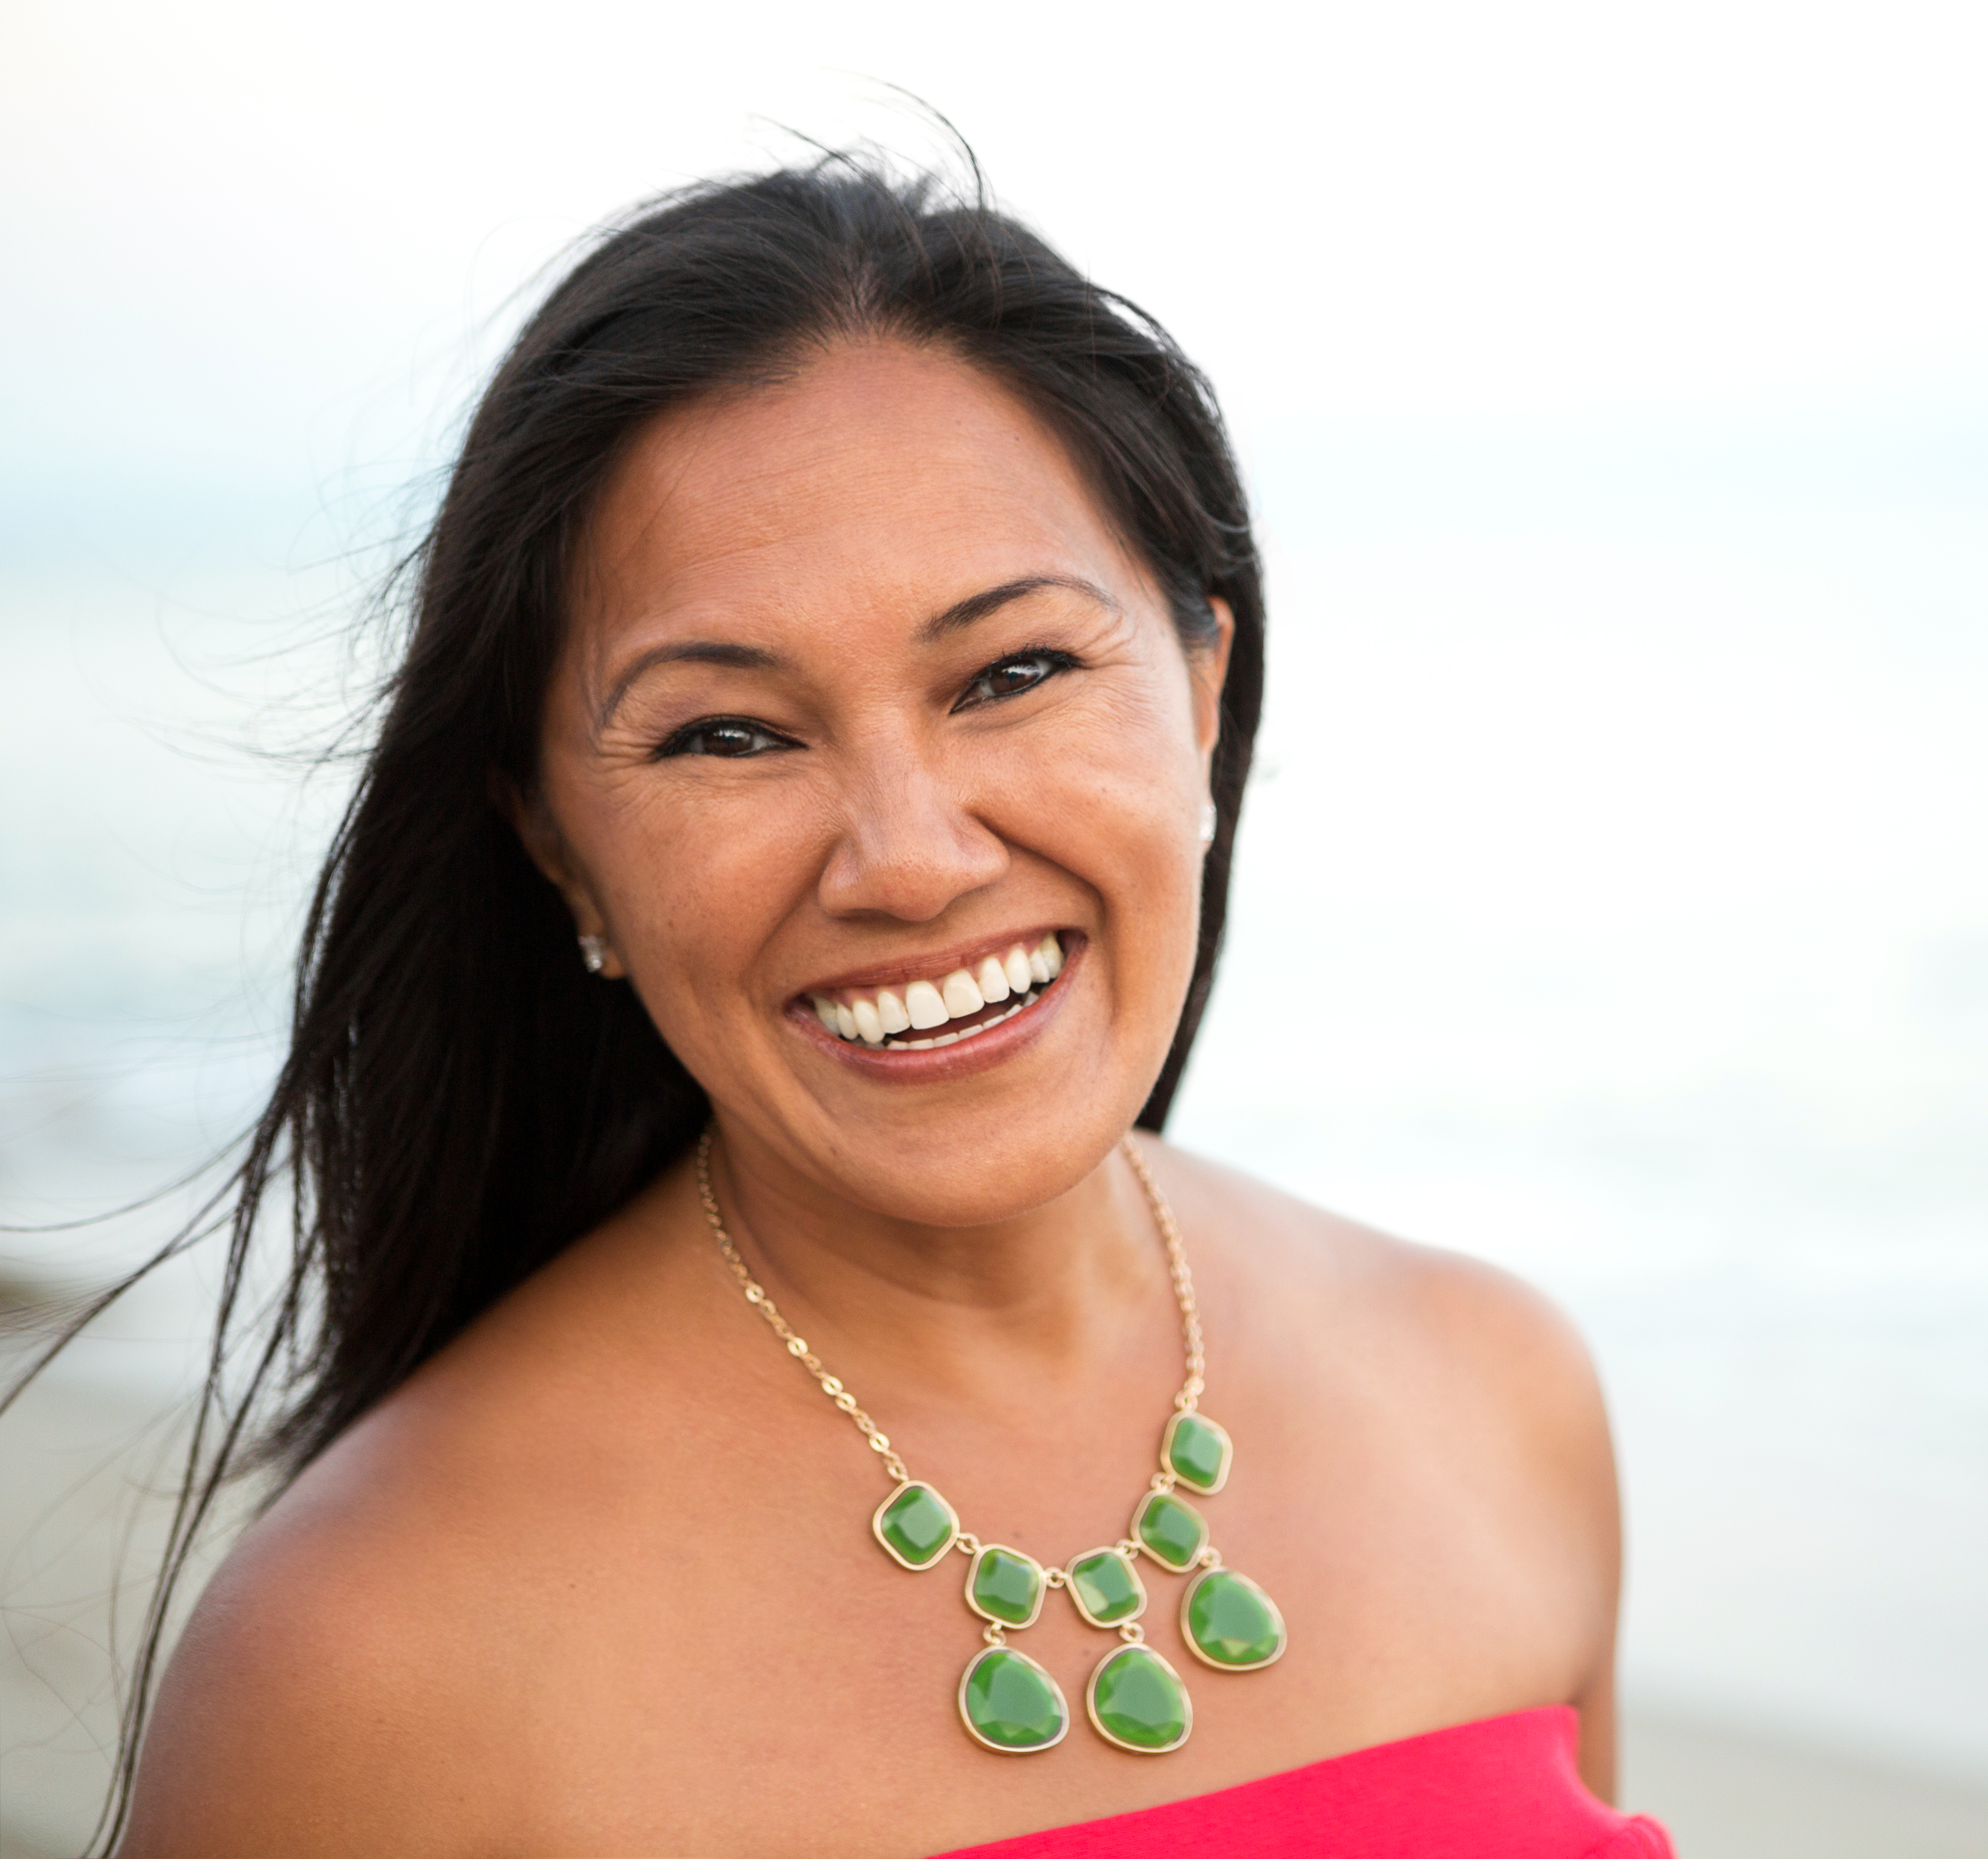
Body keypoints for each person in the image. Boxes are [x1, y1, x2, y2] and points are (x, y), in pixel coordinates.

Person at [89, 157, 1668, 1857]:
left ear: (1203, 690)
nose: (910, 863)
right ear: (559, 847)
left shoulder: (1502, 1400)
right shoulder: (370, 1664)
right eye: (730, 736)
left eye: (1014, 673)